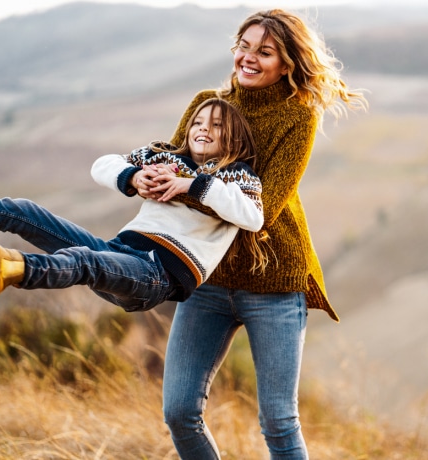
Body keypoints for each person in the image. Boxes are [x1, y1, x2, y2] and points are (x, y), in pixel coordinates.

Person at [133, 9, 368, 459]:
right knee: (180, 412)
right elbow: (177, 161)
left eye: (265, 51)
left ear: (288, 63)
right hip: (207, 278)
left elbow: (263, 207)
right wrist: (143, 176)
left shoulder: (297, 118)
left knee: (278, 422)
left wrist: (187, 185)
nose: (249, 58)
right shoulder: (208, 102)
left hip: (275, 284)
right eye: (244, 46)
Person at [0, 98, 264, 312]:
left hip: (155, 274)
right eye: (197, 122)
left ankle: (10, 267)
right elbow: (102, 165)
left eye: (217, 125)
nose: (203, 129)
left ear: (234, 138)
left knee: (83, 260)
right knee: (25, 211)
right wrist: (133, 177)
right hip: (117, 251)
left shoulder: (234, 175)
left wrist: (191, 185)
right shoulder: (166, 156)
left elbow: (252, 217)